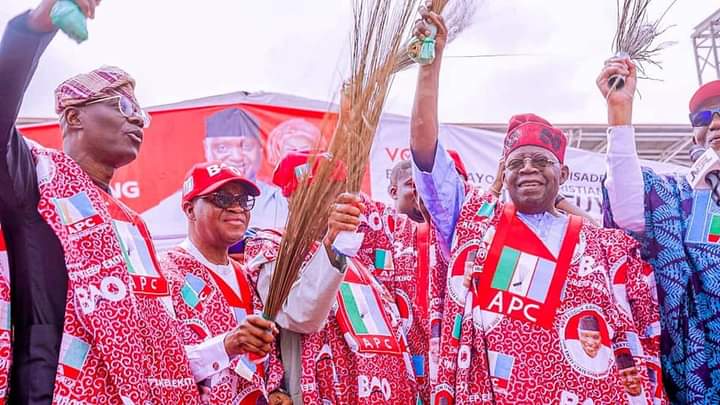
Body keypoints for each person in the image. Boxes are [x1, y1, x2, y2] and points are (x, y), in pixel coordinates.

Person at [407, 7, 663, 404]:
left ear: (563, 175)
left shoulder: (600, 246)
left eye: (541, 161)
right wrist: (429, 67)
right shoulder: (474, 223)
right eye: (517, 163)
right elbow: (426, 154)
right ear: (504, 173)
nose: (528, 168)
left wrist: (619, 115)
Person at [0, 1, 201, 403]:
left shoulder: (133, 223)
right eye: (122, 106)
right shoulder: (35, 180)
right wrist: (35, 27)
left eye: (140, 113)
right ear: (74, 118)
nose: (136, 120)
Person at [160, 162, 357, 404]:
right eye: (222, 199)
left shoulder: (248, 275)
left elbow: (270, 351)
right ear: (190, 210)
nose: (236, 208)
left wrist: (276, 388)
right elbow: (159, 362)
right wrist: (226, 345)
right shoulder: (165, 272)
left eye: (243, 201)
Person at [243, 150, 419, 404]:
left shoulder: (359, 252)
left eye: (338, 189)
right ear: (293, 196)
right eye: (323, 190)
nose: (334, 200)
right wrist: (330, 245)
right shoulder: (273, 246)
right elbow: (301, 314)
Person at [599, 58, 720, 403]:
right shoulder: (676, 194)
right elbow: (628, 210)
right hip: (701, 379)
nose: (714, 123)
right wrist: (619, 115)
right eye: (703, 118)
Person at [143, 107, 289, 237]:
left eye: (244, 200)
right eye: (222, 199)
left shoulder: (281, 203)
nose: (237, 157)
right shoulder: (166, 212)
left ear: (260, 150)